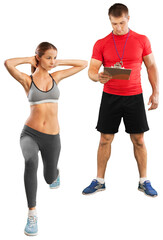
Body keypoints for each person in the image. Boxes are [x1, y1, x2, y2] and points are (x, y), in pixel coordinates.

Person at [4, 42, 88, 236]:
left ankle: (54, 173)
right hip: (30, 134)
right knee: (30, 160)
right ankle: (32, 213)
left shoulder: (55, 77)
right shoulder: (27, 80)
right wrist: (28, 59)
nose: (52, 61)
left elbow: (83, 64)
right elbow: (8, 63)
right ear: (38, 57)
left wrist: (58, 62)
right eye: (48, 57)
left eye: (54, 57)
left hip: (52, 137)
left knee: (49, 178)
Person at [82, 3, 159, 197]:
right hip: (110, 97)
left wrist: (156, 92)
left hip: (134, 96)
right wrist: (97, 76)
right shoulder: (101, 43)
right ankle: (99, 181)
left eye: (122, 23)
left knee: (139, 140)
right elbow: (91, 71)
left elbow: (151, 66)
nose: (118, 28)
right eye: (114, 23)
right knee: (104, 139)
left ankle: (144, 181)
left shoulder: (141, 40)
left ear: (128, 18)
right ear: (110, 21)